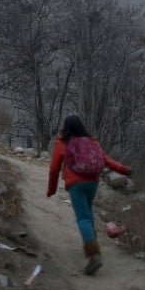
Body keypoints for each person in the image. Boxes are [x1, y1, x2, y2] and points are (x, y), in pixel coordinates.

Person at [46, 114, 132, 275]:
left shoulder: (62, 143)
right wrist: (123, 169)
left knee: (83, 218)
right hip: (92, 182)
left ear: (66, 127)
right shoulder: (91, 141)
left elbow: (53, 169)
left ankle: (93, 255)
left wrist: (51, 189)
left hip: (76, 184)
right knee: (88, 211)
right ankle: (93, 243)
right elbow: (105, 159)